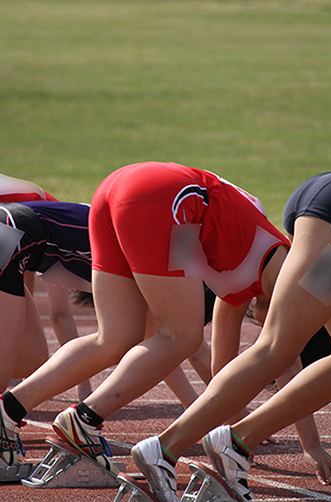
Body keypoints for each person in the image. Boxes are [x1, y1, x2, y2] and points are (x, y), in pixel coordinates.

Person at [0, 161, 294, 471]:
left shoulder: (241, 283)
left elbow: (225, 367)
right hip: (165, 199)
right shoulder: (280, 273)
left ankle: (9, 408)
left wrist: (239, 421)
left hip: (121, 190)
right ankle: (83, 420)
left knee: (115, 339)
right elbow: (281, 352)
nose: (259, 320)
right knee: (182, 336)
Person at [128, 171, 331, 501]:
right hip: (321, 207)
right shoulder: (270, 270)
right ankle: (167, 448)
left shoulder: (232, 292)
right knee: (275, 346)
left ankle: (223, 442)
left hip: (310, 200)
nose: (260, 321)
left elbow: (221, 368)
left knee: (275, 347)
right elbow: (279, 362)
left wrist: (233, 423)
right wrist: (310, 446)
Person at [0, 174, 92, 401]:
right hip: (8, 234)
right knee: (5, 372)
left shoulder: (59, 222)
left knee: (32, 359)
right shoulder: (50, 219)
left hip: (12, 238)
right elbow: (60, 315)